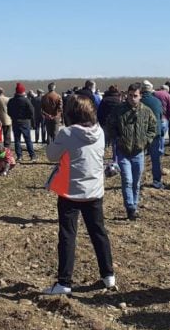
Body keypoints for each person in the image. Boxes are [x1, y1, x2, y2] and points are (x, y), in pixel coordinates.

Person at [42, 95, 115, 295]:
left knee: (67, 236)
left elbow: (51, 155)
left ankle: (64, 282)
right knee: (99, 233)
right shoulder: (99, 132)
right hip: (94, 191)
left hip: (70, 193)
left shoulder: (67, 133)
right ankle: (108, 275)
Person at [104, 83, 157, 220]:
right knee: (127, 180)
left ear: (140, 96)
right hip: (123, 151)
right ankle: (130, 208)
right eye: (130, 95)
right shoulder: (119, 110)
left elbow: (153, 128)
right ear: (126, 95)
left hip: (138, 151)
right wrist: (116, 138)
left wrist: (146, 141)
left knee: (136, 181)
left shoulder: (146, 111)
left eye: (135, 96)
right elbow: (110, 125)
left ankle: (135, 204)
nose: (132, 98)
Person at [141, 81, 167, 189]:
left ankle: (137, 181)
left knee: (139, 158)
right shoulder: (157, 101)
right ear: (151, 90)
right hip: (155, 133)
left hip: (141, 134)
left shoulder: (139, 101)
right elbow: (161, 116)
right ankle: (157, 181)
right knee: (155, 159)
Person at [7, 83, 36, 161]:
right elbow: (32, 111)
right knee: (28, 139)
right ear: (23, 92)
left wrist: (13, 117)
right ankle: (32, 156)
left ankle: (19, 156)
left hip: (15, 121)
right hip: (25, 121)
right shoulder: (26, 100)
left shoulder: (11, 100)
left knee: (17, 140)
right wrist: (29, 118)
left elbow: (9, 112)